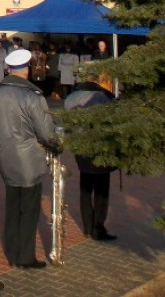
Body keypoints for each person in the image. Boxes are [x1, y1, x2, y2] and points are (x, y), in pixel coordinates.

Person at [0, 48, 60, 269]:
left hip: (6, 158)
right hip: (29, 160)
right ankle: (24, 257)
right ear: (26, 70)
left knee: (12, 205)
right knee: (28, 211)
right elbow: (47, 133)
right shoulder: (32, 97)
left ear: (9, 70)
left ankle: (11, 252)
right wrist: (58, 144)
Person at [64, 75, 118, 241]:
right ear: (97, 80)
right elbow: (111, 122)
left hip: (80, 148)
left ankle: (87, 226)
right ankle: (98, 227)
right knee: (101, 190)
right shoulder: (101, 97)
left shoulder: (71, 97)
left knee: (85, 188)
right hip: (99, 148)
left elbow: (67, 124)